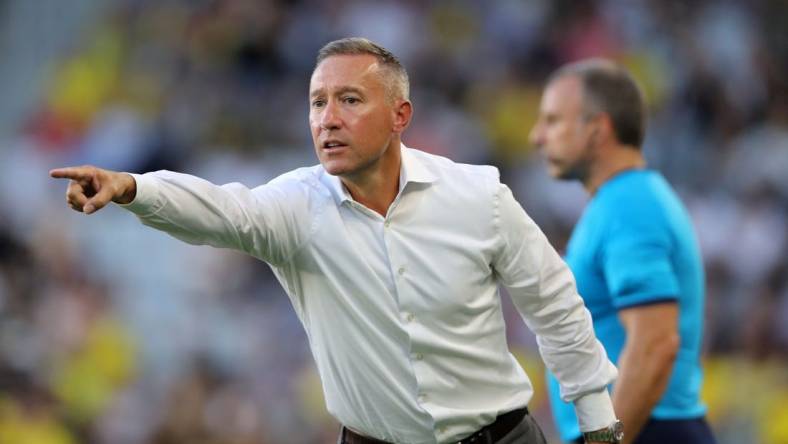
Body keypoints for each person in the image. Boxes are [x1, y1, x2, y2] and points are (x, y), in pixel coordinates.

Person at [51, 38, 622, 444]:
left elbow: (553, 304)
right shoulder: (296, 207)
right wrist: (133, 188)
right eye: (318, 102)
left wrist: (599, 425)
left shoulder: (479, 195)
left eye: (350, 100)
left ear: (400, 115)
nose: (328, 118)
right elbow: (221, 210)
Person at [529, 59, 716, 444]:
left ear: (597, 129)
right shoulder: (620, 202)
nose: (537, 136)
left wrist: (604, 442)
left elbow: (655, 344)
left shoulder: (629, 206)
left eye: (552, 121)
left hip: (648, 430)